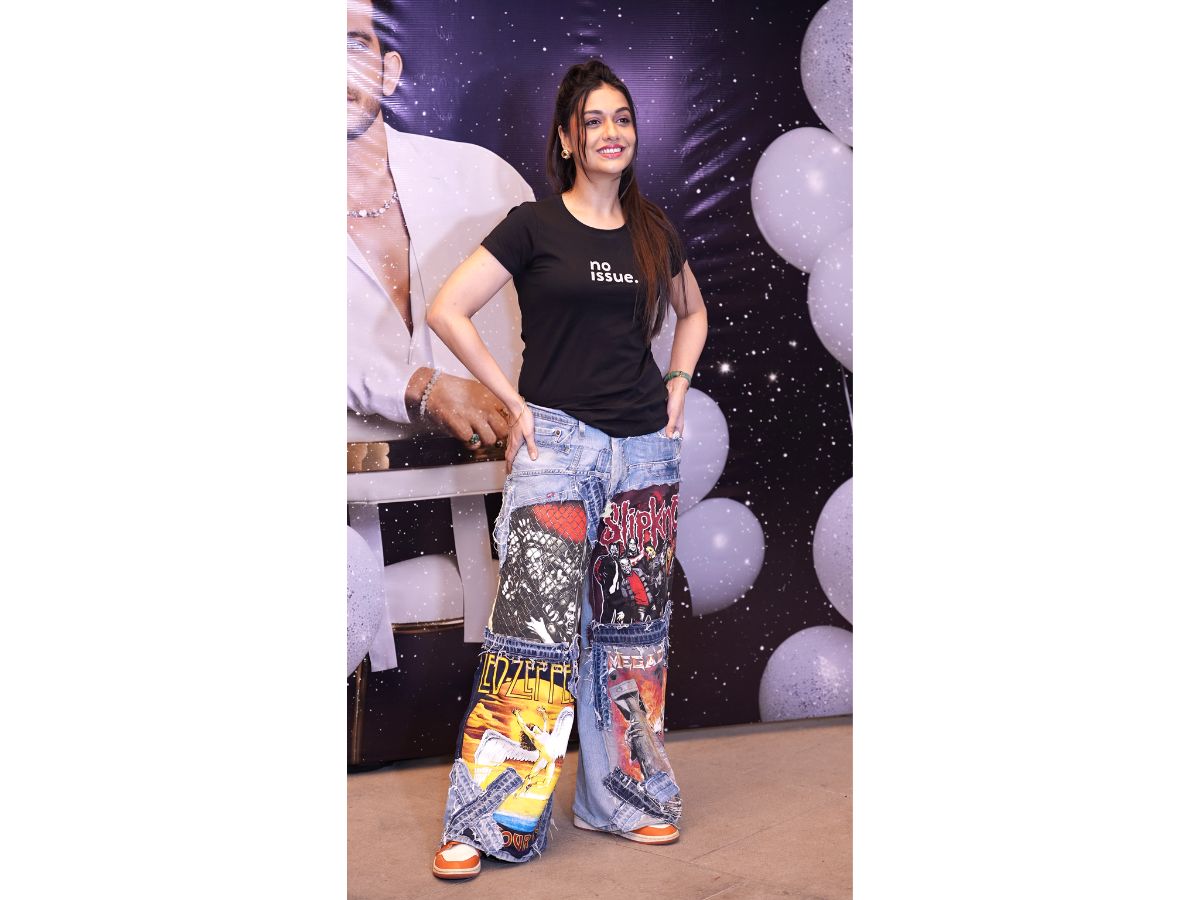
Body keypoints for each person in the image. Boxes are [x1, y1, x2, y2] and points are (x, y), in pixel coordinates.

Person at [424, 59, 708, 880]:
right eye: (594, 121)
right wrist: (513, 404)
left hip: (644, 455)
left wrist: (678, 382)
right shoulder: (533, 226)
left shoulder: (653, 229)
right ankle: (492, 824)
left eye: (622, 118)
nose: (612, 132)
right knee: (533, 640)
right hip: (557, 449)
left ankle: (627, 800)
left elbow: (693, 313)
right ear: (566, 139)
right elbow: (447, 309)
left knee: (632, 643)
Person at [346, 0, 532, 458]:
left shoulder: (484, 179)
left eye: (353, 45)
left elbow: (570, 315)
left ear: (389, 72)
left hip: (511, 475)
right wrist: (418, 386)